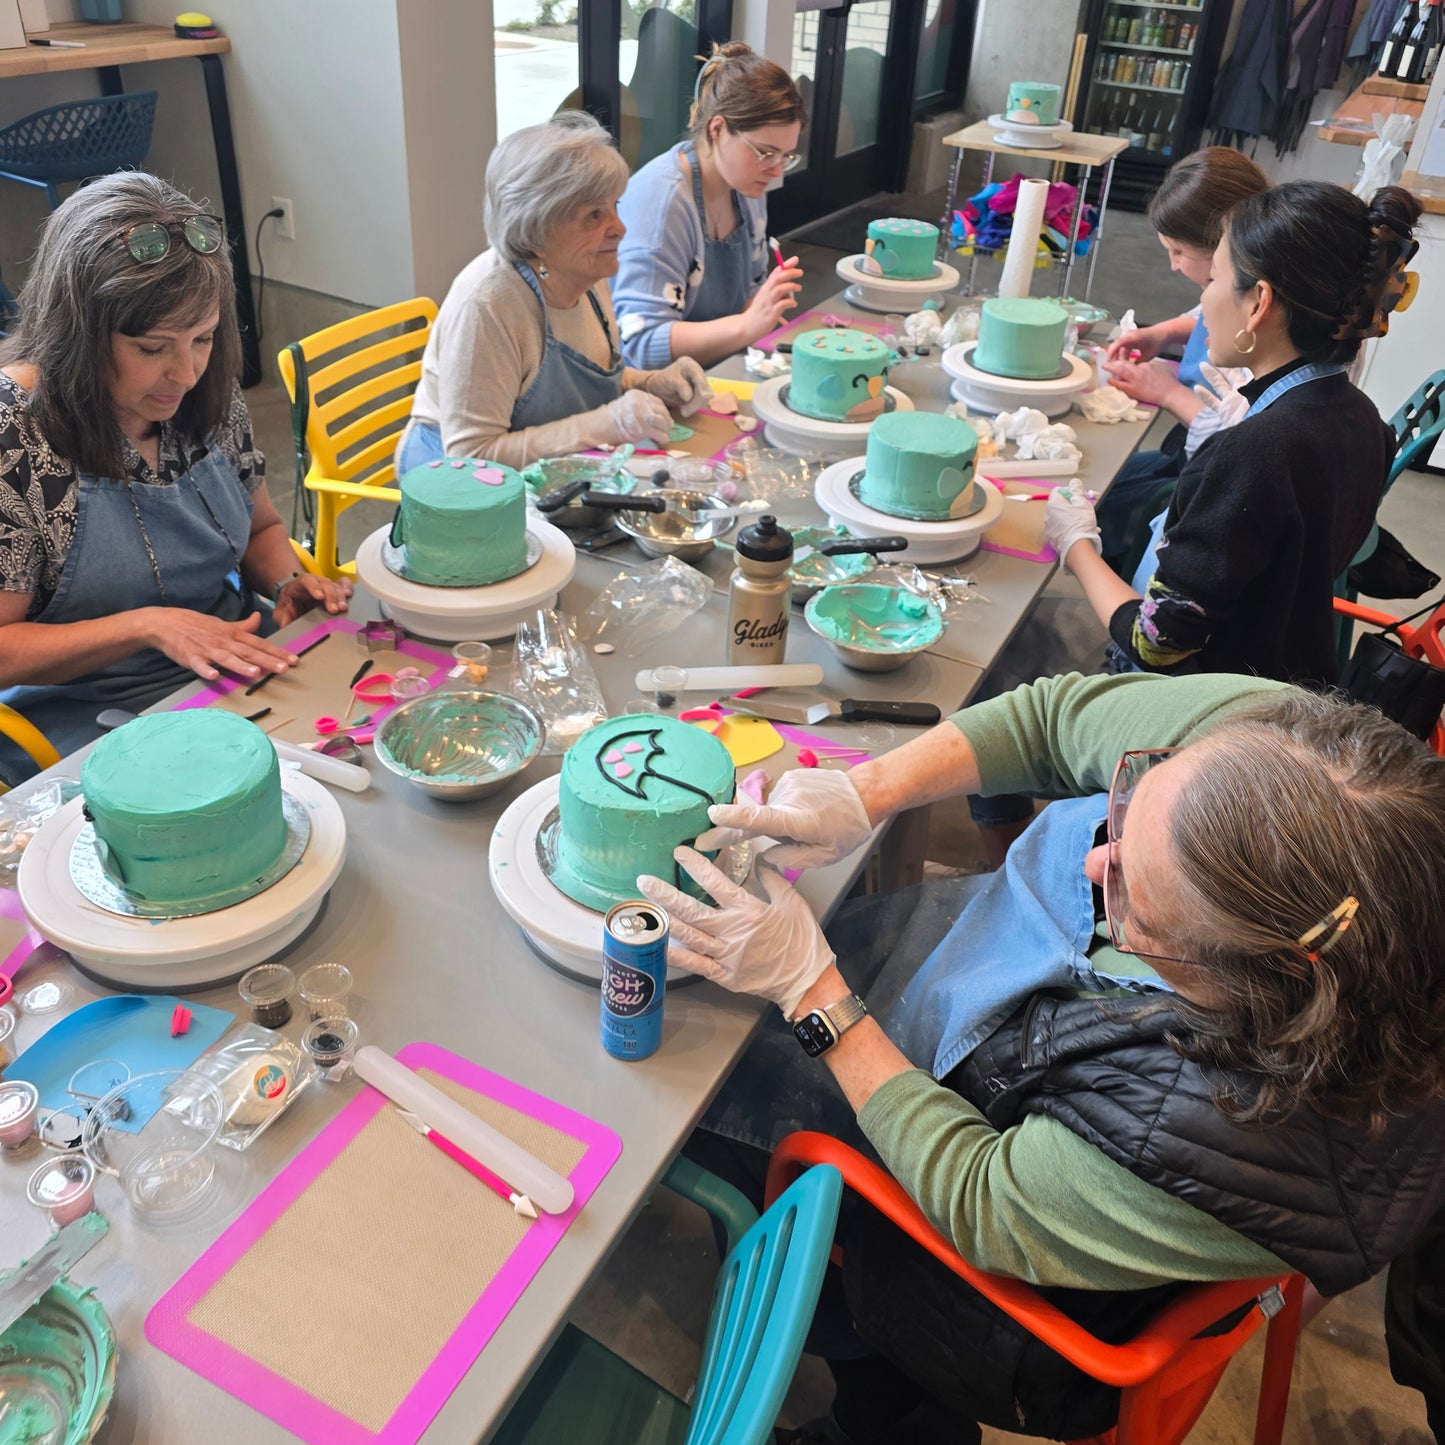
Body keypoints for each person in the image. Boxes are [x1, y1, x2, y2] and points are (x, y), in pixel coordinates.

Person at [636, 670, 1445, 1444]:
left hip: (1000, 1231)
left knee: (705, 1102)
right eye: (1121, 813)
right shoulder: (1297, 768)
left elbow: (979, 1195)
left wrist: (813, 991)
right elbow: (1049, 719)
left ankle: (883, 1411)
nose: (1096, 856)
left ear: (1242, 991)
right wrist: (863, 792)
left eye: (1126, 899)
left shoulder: (1231, 1137)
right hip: (994, 1011)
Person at [0, 172, 351, 785]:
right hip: (89, 708)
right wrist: (149, 626)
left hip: (231, 658)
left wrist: (290, 581)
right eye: (151, 346)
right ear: (78, 334)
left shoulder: (204, 394)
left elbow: (263, 527)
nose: (184, 373)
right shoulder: (17, 438)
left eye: (203, 339)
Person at [1048, 180, 1420, 687]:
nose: (1203, 300)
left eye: (1213, 280)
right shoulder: (1365, 421)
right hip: (1287, 690)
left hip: (1213, 721)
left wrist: (1077, 546)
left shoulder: (1253, 451)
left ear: (1258, 302)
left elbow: (1156, 644)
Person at [397, 112, 712, 473]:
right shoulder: (488, 306)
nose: (620, 228)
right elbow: (472, 457)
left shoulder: (589, 272)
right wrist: (606, 423)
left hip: (544, 466)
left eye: (615, 207)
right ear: (536, 231)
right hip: (452, 483)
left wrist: (652, 383)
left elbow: (585, 385)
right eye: (594, 215)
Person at [1094, 147, 1269, 571]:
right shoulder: (1244, 284)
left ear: (1223, 249)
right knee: (1107, 481)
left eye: (1177, 252)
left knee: (1107, 506)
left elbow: (1238, 442)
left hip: (1213, 476)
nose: (1172, 267)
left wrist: (1168, 393)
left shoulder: (1262, 331)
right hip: (1188, 452)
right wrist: (1164, 333)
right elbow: (1204, 315)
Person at [612, 43, 807, 369]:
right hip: (645, 396)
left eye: (785, 156)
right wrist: (747, 326)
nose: (775, 171)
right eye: (765, 153)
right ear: (717, 129)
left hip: (713, 371)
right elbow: (640, 344)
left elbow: (749, 301)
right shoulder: (663, 205)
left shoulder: (746, 185)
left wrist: (760, 312)